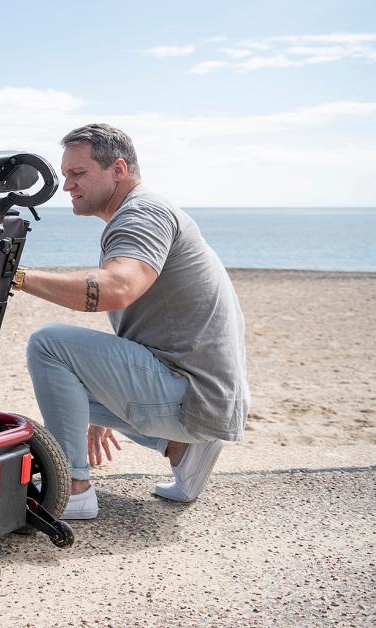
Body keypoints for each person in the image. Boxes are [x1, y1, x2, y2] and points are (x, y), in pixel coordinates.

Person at [15, 123, 249, 519]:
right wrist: (97, 392)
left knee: (48, 344)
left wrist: (17, 276)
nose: (67, 186)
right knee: (65, 382)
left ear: (118, 169)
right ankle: (183, 449)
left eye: (78, 173)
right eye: (65, 174)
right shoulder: (143, 211)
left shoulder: (141, 214)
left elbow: (117, 287)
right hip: (209, 395)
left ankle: (73, 490)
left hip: (194, 395)